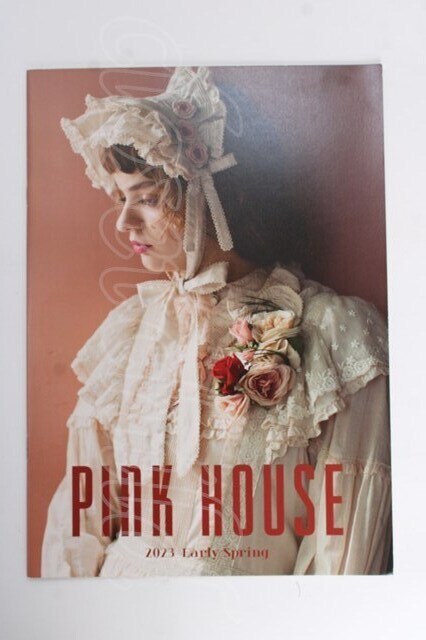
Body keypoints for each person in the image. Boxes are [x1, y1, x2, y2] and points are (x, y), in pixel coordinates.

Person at [41, 66, 391, 577]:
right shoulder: (130, 331)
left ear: (209, 194)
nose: (123, 222)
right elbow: (80, 520)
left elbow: (343, 556)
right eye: (120, 198)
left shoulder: (333, 330)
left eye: (147, 198)